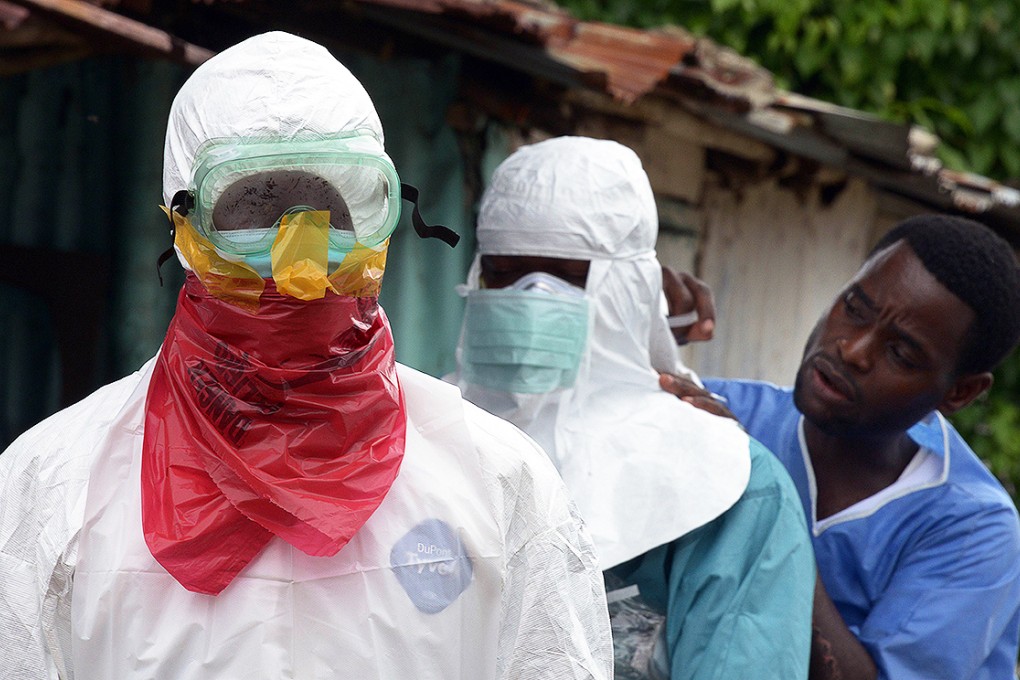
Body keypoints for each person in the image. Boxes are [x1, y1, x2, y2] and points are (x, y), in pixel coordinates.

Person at [0, 33, 614, 680]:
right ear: (184, 226)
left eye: (327, 215)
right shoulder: (55, 487)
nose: (299, 265)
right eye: (255, 217)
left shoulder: (497, 481)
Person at [450, 136, 816, 679]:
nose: (532, 298)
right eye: (504, 273)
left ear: (629, 287)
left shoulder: (732, 487)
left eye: (569, 276)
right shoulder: (422, 432)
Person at [661, 214, 1020, 679]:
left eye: (901, 354)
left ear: (960, 393)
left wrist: (758, 500)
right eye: (854, 308)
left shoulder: (973, 529)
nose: (853, 349)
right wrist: (633, 335)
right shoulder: (727, 412)